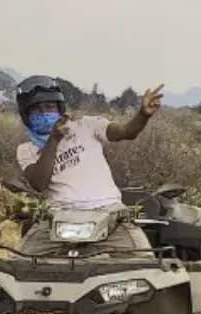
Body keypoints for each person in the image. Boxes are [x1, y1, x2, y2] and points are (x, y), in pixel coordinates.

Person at [13, 75, 164, 255]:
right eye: (36, 110)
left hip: (109, 214)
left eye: (49, 107)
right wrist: (54, 140)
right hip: (57, 217)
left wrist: (143, 115)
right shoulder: (26, 150)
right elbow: (39, 183)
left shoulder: (88, 126)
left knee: (144, 262)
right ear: (26, 116)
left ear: (60, 108)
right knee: (20, 262)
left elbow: (126, 132)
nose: (44, 113)